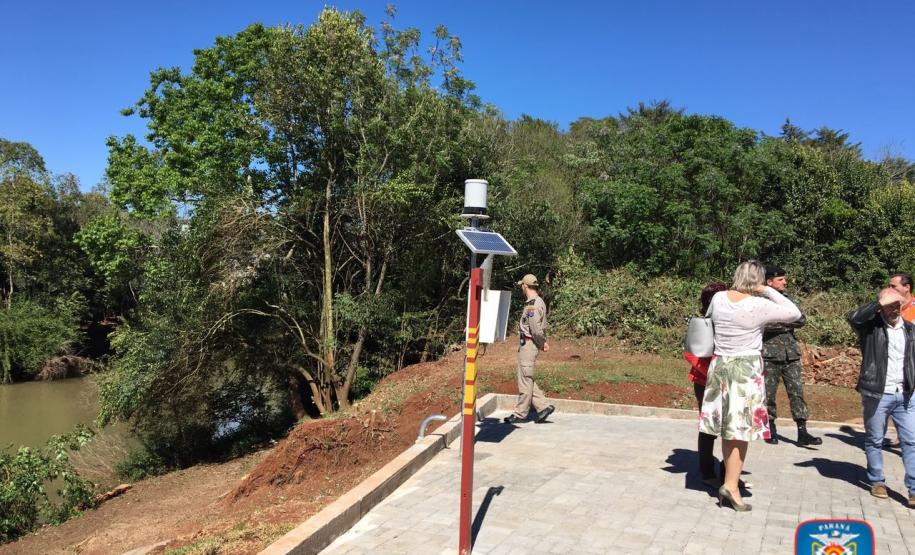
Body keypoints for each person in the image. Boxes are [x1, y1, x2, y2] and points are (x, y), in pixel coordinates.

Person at [699, 260, 802, 511]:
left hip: (720, 365)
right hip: (745, 369)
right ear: (759, 280)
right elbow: (794, 313)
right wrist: (766, 290)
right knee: (741, 431)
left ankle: (729, 480)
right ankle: (731, 486)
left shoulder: (719, 298)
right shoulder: (758, 305)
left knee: (728, 429)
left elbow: (710, 320)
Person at [847, 288, 915, 507]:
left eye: (897, 305)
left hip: (905, 394)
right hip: (877, 393)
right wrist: (879, 303)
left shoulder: (910, 330)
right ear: (881, 306)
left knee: (911, 441)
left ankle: (913, 489)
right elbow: (854, 318)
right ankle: (877, 481)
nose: (894, 309)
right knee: (875, 439)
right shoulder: (870, 327)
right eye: (889, 305)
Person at [761, 266, 821, 446]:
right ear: (769, 282)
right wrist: (788, 323)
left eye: (784, 279)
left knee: (797, 393)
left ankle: (802, 432)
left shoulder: (789, 300)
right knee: (768, 394)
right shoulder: (761, 302)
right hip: (769, 355)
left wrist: (780, 322)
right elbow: (764, 324)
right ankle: (770, 429)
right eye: (780, 279)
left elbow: (801, 319)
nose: (785, 282)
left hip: (791, 354)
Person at [685, 282, 728, 486]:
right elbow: (691, 354)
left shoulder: (730, 323)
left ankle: (730, 475)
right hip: (705, 381)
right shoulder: (702, 324)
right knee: (708, 428)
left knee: (731, 428)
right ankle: (707, 473)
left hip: (728, 380)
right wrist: (713, 373)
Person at [504, 274, 555, 424]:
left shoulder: (533, 304)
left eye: (522, 285)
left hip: (529, 344)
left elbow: (536, 329)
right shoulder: (536, 302)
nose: (521, 287)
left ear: (525, 286)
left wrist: (542, 342)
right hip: (527, 344)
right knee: (526, 377)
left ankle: (520, 414)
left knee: (525, 380)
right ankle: (543, 407)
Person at [884, 273, 914, 448]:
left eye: (893, 286)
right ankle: (903, 437)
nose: (890, 289)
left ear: (907, 287)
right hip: (895, 366)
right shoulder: (892, 308)